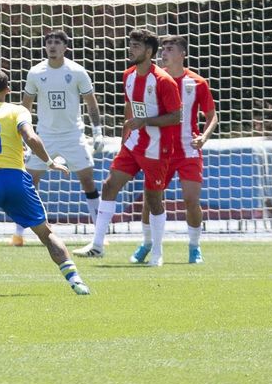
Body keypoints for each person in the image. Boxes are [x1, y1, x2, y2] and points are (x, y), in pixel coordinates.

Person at [0, 69, 90, 297]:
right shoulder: (17, 110)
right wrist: (49, 162)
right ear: (8, 90)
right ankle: (76, 281)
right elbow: (30, 137)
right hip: (16, 179)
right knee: (46, 233)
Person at [82, 29, 182, 262]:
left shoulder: (163, 81)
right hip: (133, 145)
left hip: (157, 147)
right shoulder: (128, 75)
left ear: (148, 52)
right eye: (131, 45)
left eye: (136, 46)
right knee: (109, 186)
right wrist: (123, 138)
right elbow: (129, 108)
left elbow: (176, 116)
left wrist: (145, 121)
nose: (130, 49)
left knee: (154, 199)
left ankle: (157, 252)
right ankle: (97, 245)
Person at [132, 36, 216, 265]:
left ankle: (194, 246)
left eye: (170, 49)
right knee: (151, 199)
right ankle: (147, 243)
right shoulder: (155, 80)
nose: (164, 53)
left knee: (191, 200)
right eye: (163, 49)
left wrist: (204, 137)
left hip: (188, 150)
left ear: (182, 54)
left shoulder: (197, 82)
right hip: (160, 149)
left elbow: (212, 115)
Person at [18, 29, 104, 251]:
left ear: (65, 47)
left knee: (87, 180)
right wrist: (21, 134)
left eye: (57, 42)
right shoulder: (36, 72)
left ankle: (99, 233)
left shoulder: (77, 71)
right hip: (44, 135)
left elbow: (91, 103)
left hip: (73, 136)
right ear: (45, 47)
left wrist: (97, 131)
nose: (52, 46)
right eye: (49, 42)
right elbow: (26, 106)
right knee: (29, 181)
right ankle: (20, 233)